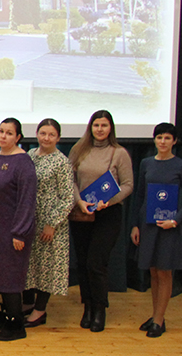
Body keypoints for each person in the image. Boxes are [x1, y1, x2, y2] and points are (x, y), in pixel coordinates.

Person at [68, 109, 133, 332]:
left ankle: (99, 309)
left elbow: (128, 185)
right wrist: (79, 201)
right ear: (91, 127)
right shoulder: (78, 149)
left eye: (104, 125)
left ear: (110, 128)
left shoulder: (119, 153)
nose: (100, 129)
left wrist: (110, 201)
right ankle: (87, 307)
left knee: (96, 263)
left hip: (108, 214)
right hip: (82, 212)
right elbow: (71, 180)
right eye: (96, 125)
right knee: (83, 262)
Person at [129, 122, 182, 338]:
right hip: (148, 225)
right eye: (159, 137)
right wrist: (135, 224)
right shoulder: (146, 163)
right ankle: (156, 315)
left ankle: (158, 320)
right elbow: (140, 195)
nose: (162, 141)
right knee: (153, 271)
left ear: (174, 141)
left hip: (169, 227)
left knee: (165, 272)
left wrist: (175, 220)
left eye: (167, 138)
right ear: (154, 140)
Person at [0, 118, 37, 342]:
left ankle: (16, 324)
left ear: (18, 137)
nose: (3, 136)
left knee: (11, 276)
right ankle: (5, 315)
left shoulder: (23, 163)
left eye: (9, 133)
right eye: (1, 131)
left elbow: (27, 201)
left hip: (13, 230)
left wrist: (19, 232)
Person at [23, 119, 73, 328]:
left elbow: (68, 197)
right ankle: (30, 305)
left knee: (46, 267)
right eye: (43, 133)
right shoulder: (29, 155)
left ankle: (40, 310)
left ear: (58, 138)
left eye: (51, 135)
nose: (46, 138)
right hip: (30, 219)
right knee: (31, 264)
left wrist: (52, 223)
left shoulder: (62, 162)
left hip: (50, 223)